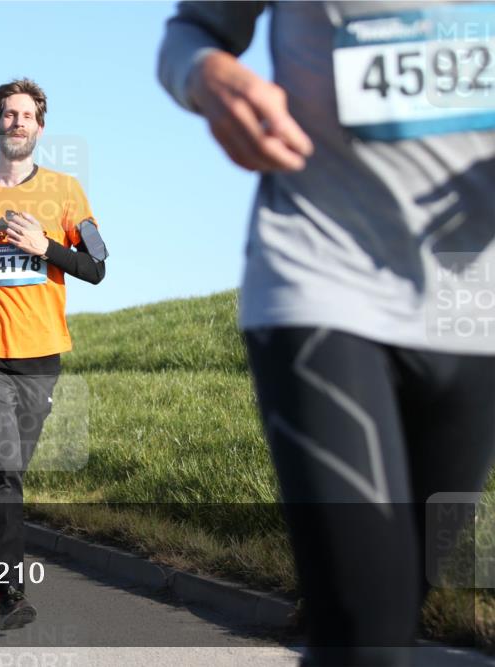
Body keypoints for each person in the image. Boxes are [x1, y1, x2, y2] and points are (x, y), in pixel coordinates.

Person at [158, 4, 495, 665]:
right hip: (321, 273)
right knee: (363, 629)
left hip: (474, 304)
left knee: (398, 606)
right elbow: (188, 33)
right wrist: (209, 75)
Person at [0, 79, 107, 630]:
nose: (16, 123)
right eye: (7, 115)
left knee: (4, 472)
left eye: (26, 116)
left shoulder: (66, 191)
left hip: (41, 352)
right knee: (2, 469)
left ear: (40, 126)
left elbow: (98, 267)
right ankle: (11, 592)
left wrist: (46, 248)